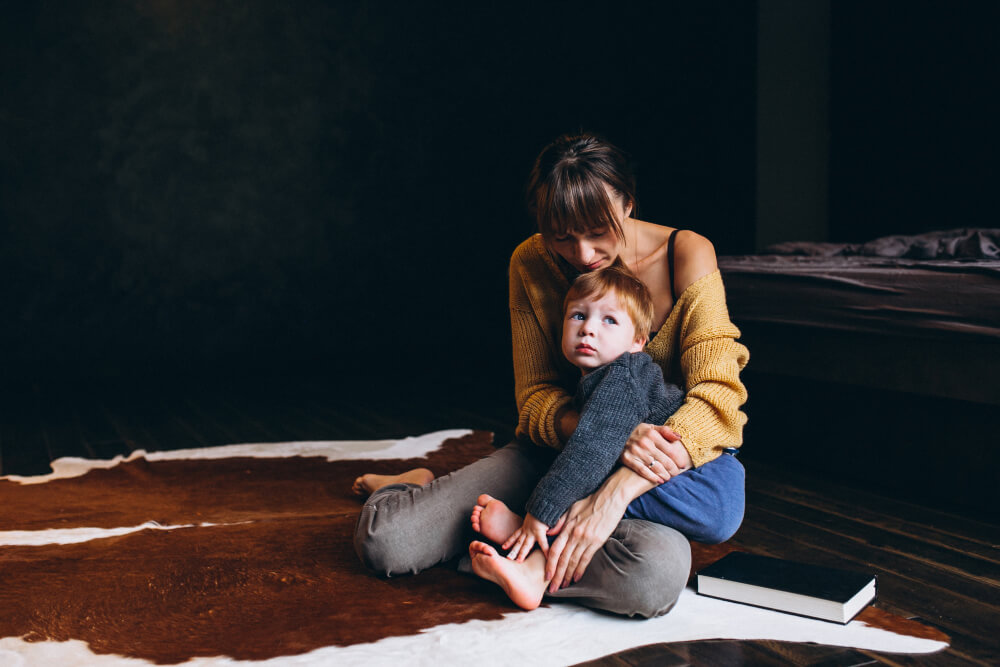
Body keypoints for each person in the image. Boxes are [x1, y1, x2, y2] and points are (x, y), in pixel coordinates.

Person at [353, 131, 748, 618]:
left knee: (652, 576)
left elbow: (718, 394)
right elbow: (535, 395)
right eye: (561, 235)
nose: (581, 254)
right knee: (387, 543)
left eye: (597, 232)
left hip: (651, 476)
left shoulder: (686, 253)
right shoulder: (530, 261)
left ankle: (516, 547)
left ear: (627, 203)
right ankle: (418, 488)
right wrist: (598, 435)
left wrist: (613, 491)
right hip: (555, 451)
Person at [492, 260, 685, 570]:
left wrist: (539, 513)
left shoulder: (624, 375)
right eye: (578, 316)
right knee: (577, 482)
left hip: (697, 482)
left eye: (609, 320)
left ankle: (531, 558)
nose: (588, 328)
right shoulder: (600, 375)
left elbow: (590, 450)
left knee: (582, 486)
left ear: (638, 342)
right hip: (660, 475)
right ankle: (528, 545)